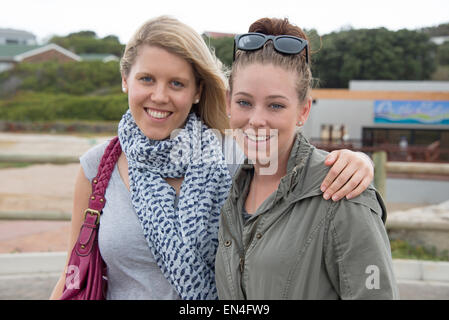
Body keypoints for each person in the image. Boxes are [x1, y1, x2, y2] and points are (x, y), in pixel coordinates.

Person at [50, 16, 375, 300]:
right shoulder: (97, 167)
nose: (159, 96)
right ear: (125, 80)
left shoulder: (236, 157)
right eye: (146, 79)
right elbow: (71, 274)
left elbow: (296, 164)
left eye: (176, 83)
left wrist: (358, 161)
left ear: (197, 91)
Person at [215, 17, 399, 299]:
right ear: (228, 102)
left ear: (303, 111)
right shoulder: (227, 186)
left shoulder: (343, 192)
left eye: (276, 105)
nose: (256, 120)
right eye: (244, 102)